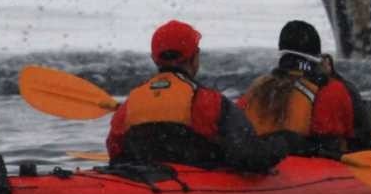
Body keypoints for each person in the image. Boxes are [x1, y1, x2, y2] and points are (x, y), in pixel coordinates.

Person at [105, 20, 286, 173]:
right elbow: (250, 158)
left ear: (154, 59)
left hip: (138, 186)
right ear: (194, 57)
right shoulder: (210, 103)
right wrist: (281, 144)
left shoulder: (129, 105)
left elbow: (115, 154)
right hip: (197, 189)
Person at [238, 20, 371, 155]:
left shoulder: (257, 87)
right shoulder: (329, 90)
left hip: (261, 158)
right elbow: (359, 133)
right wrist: (334, 76)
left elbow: (236, 128)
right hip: (312, 167)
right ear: (317, 54)